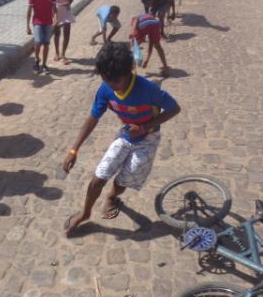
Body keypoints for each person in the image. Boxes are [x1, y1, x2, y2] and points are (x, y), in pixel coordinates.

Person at [62, 42, 180, 235]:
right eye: (106, 79)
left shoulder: (148, 89)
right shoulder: (105, 88)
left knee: (125, 178)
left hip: (148, 140)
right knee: (99, 176)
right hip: (125, 136)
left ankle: (112, 197)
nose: (111, 85)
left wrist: (144, 128)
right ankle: (85, 213)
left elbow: (175, 108)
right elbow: (93, 117)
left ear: (129, 72)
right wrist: (73, 150)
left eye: (115, 81)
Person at [27, 0, 57, 75]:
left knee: (46, 43)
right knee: (38, 41)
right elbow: (29, 10)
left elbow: (54, 7)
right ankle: (36, 60)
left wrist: (56, 17)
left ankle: (44, 64)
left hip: (48, 22)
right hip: (37, 22)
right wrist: (27, 26)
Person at [49, 0, 75, 65]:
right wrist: (53, 14)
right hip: (56, 11)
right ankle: (57, 53)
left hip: (66, 11)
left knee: (67, 33)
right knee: (57, 33)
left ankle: (63, 54)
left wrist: (69, 2)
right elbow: (50, 1)